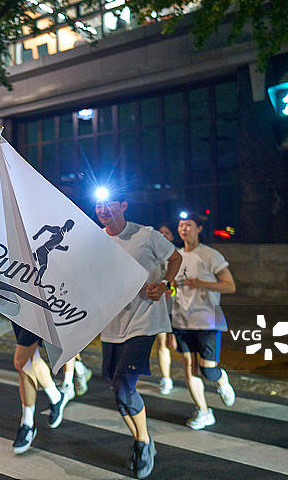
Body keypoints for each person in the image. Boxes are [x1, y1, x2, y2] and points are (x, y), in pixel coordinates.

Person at [95, 194, 181, 479]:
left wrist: (166, 285)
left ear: (123, 206)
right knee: (119, 391)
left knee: (123, 385)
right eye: (98, 206)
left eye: (109, 205)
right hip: (112, 325)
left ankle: (143, 442)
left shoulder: (146, 235)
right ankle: (142, 439)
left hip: (144, 321)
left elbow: (175, 257)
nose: (103, 210)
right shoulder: (94, 240)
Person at [171, 212, 236, 430]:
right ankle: (204, 411)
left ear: (199, 228)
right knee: (189, 368)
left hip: (208, 320)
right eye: (181, 225)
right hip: (181, 321)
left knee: (207, 369)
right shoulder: (175, 256)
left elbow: (229, 286)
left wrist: (202, 283)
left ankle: (220, 379)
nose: (184, 229)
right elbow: (171, 289)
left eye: (188, 225)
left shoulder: (210, 255)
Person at [11, 323, 69, 454]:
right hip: (20, 308)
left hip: (37, 309)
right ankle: (57, 397)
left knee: (21, 361)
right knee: (33, 357)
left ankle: (27, 424)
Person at [155, 223, 178, 395]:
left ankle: (192, 376)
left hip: (177, 307)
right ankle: (166, 378)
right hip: (160, 305)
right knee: (161, 343)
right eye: (160, 232)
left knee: (174, 343)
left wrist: (170, 289)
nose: (162, 235)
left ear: (172, 237)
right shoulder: (152, 256)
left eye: (167, 233)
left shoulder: (178, 256)